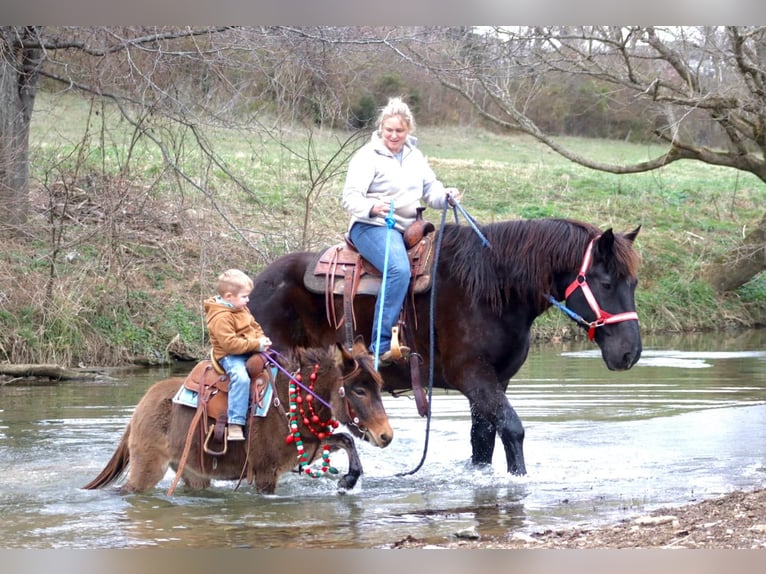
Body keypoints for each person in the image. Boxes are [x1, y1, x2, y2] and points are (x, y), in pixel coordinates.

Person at [342, 97, 461, 365]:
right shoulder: (366, 156)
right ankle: (380, 344)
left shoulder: (414, 155)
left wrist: (447, 196)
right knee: (398, 269)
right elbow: (349, 198)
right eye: (389, 130)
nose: (394, 136)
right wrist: (373, 207)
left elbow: (431, 190)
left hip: (411, 229)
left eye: (399, 130)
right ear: (381, 128)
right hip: (372, 226)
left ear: (408, 131)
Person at [204, 269, 272, 441]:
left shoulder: (241, 308)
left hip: (250, 348)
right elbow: (230, 345)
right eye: (244, 296)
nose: (248, 300)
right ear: (228, 296)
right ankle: (235, 422)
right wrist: (256, 344)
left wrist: (262, 338)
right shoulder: (220, 317)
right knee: (241, 378)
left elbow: (254, 326)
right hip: (230, 356)